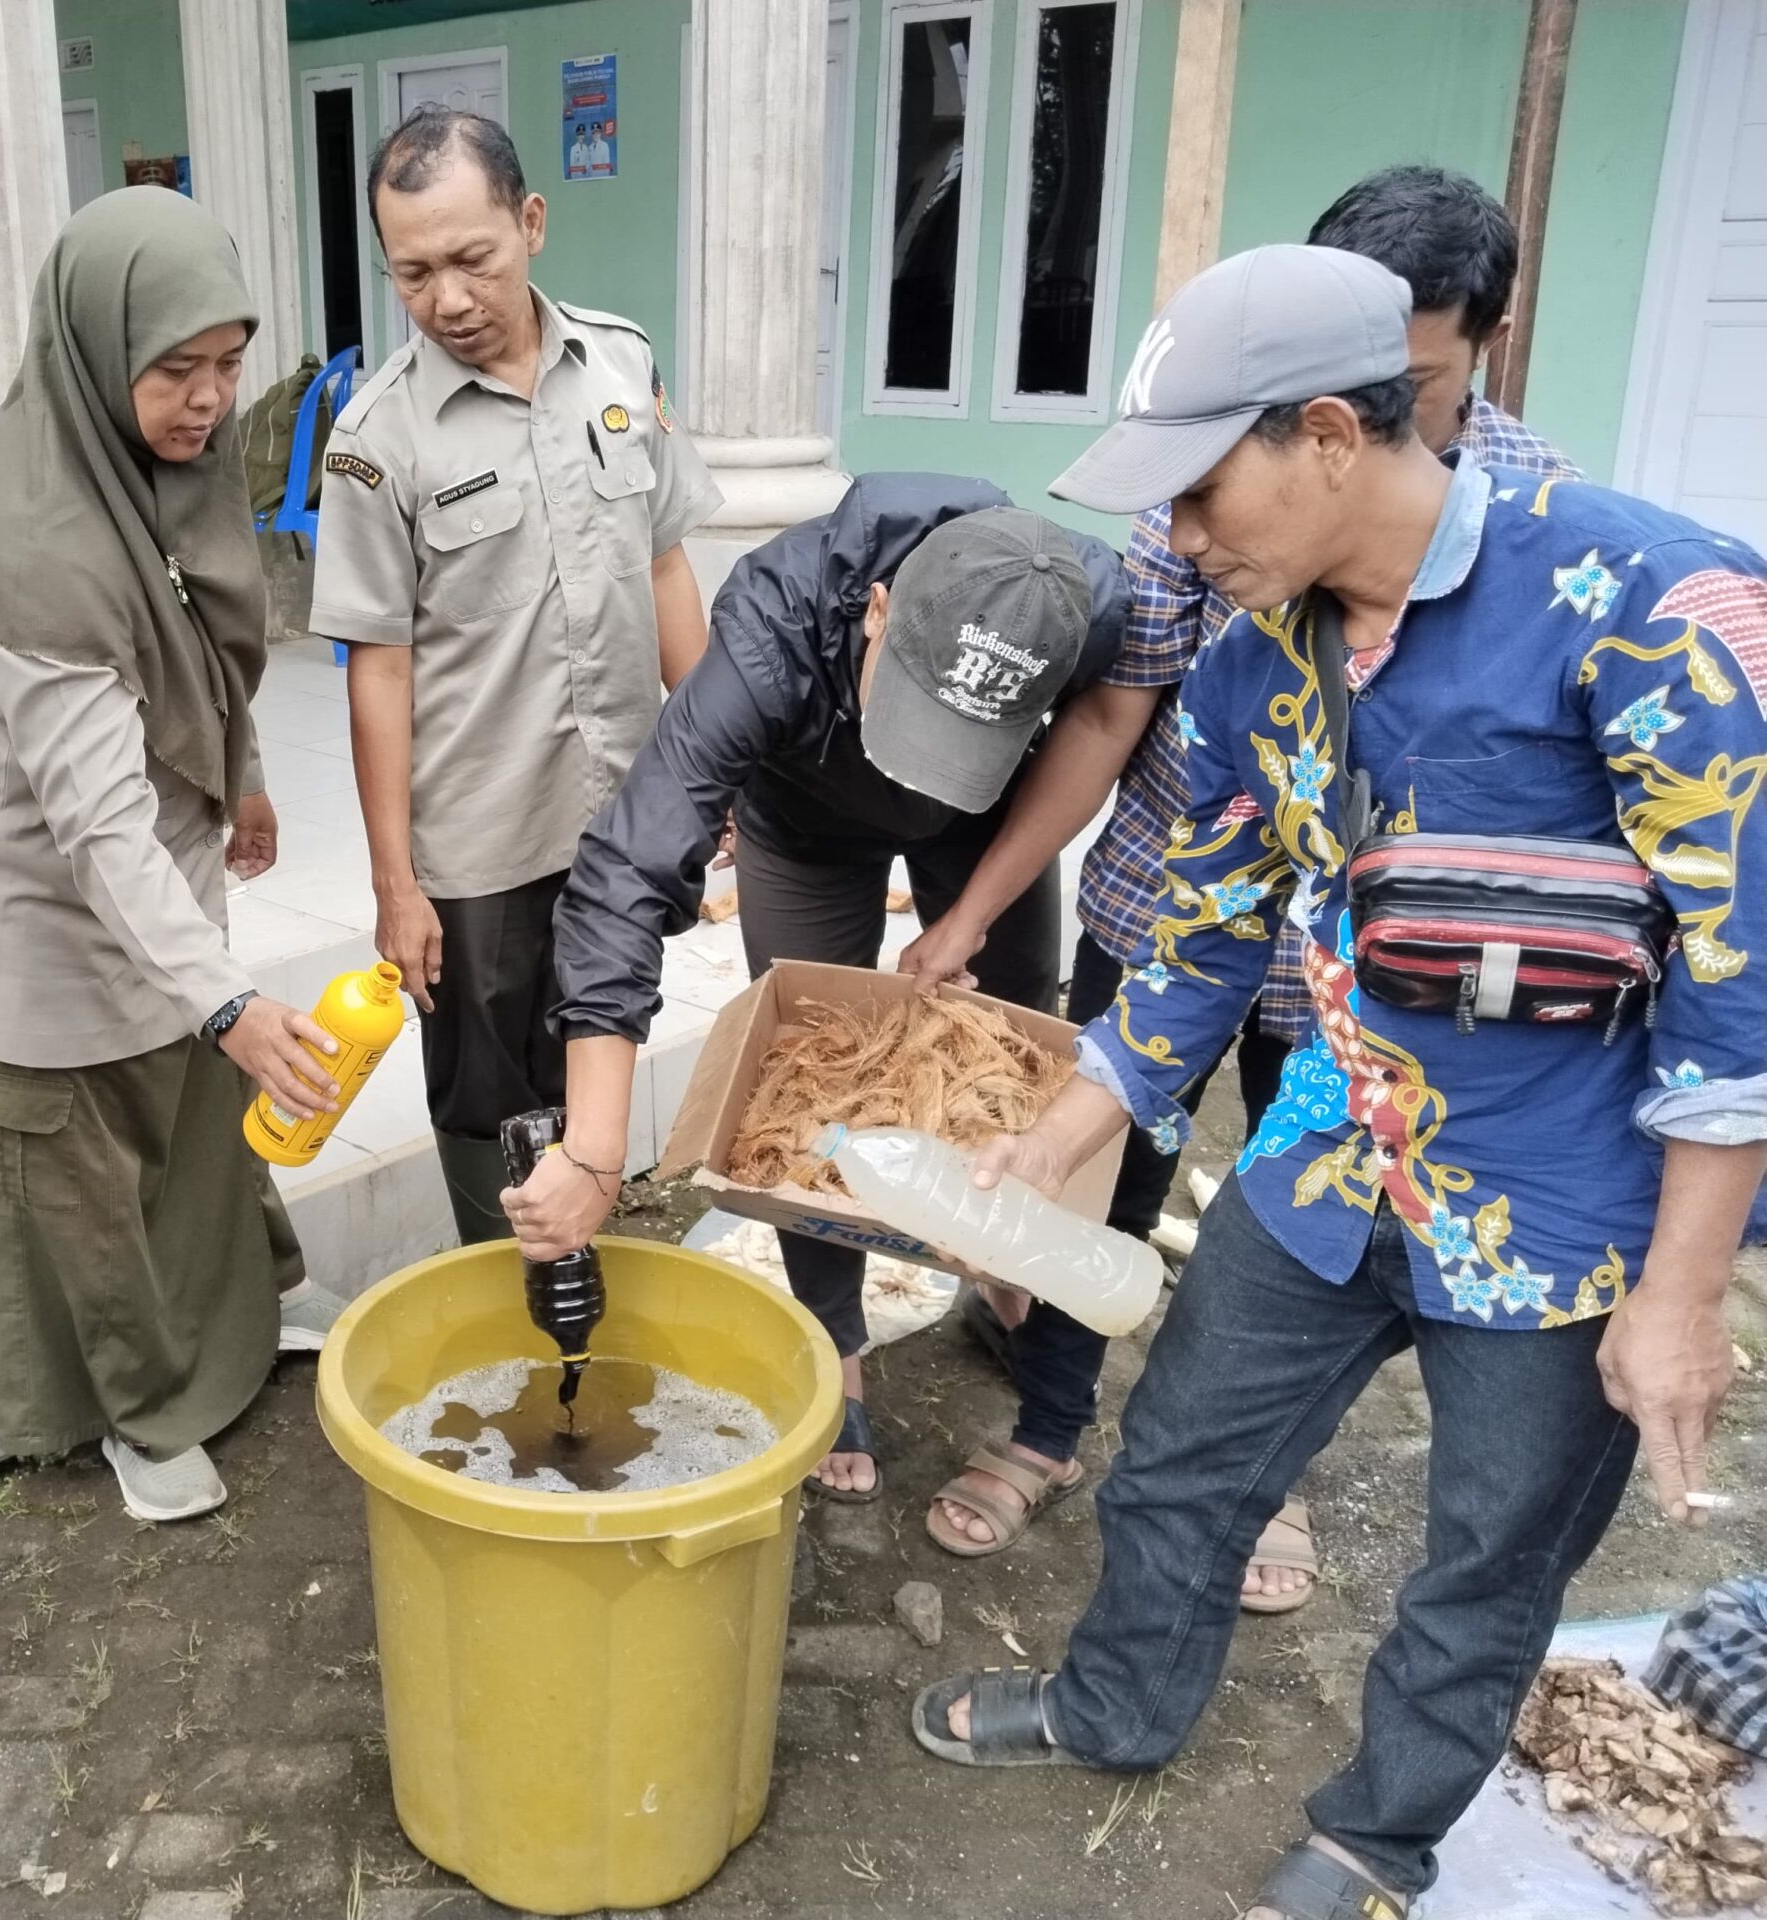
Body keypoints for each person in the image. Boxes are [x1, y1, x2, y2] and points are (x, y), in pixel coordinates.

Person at [911, 243, 1767, 1920]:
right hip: (1332, 1147)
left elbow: (1743, 993)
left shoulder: (1646, 605)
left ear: (1322, 432)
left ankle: (1377, 1838)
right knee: (1176, 1460)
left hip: (1566, 1211)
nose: (1176, 537)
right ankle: (1115, 1706)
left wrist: (1678, 1296)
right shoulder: (1249, 670)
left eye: (1197, 488)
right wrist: (1041, 1156)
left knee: (1486, 1563)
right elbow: (1198, 945)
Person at [899, 165, 1583, 1602]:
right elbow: (1111, 713)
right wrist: (972, 909)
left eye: (1416, 376)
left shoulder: (1548, 531)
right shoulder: (1209, 480)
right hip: (1180, 907)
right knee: (1097, 1169)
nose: (1383, 395)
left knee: (1314, 1229)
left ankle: (1264, 1483)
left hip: (1369, 982)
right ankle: (1043, 1423)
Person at [504, 478, 1124, 1502]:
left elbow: (1103, 729)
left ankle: (1001, 1270)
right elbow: (624, 872)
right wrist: (596, 1148)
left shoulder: (1077, 599)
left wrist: (968, 915)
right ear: (876, 608)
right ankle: (837, 1346)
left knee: (1018, 1055)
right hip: (805, 825)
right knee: (807, 1078)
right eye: (911, 698)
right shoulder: (769, 628)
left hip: (987, 821)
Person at [0, 187, 343, 1526]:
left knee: (200, 1115)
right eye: (174, 371)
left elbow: (202, 643)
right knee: (80, 1175)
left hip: (149, 870)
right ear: (96, 354)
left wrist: (243, 772)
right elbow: (91, 823)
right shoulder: (40, 540)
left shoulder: (162, 471)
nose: (208, 400)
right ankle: (133, 1414)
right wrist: (225, 998)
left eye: (228, 363)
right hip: (27, 898)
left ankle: (246, 1304)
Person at [312, 106, 719, 1244]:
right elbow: (376, 672)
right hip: (482, 835)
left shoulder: (621, 362)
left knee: (603, 1025)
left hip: (624, 808)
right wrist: (397, 884)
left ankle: (586, 1226)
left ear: (529, 223)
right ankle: (502, 1282)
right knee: (485, 1091)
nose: (446, 298)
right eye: (412, 274)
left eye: (471, 259)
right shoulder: (374, 436)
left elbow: (668, 566)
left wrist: (714, 752)